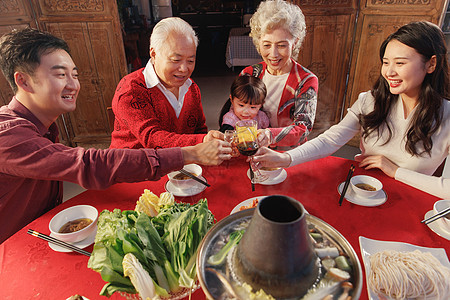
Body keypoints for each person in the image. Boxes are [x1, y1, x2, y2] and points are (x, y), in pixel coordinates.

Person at [0, 28, 232, 243]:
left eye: (75, 74)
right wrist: (191, 152)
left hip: (38, 231)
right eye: (61, 75)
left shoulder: (45, 127)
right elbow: (89, 164)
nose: (73, 85)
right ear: (24, 81)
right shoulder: (8, 136)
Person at [252, 21, 450, 199]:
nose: (389, 72)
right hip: (360, 193)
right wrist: (285, 158)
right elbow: (331, 139)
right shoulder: (371, 101)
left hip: (411, 203)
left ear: (431, 64)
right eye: (386, 62)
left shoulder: (447, 116)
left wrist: (394, 170)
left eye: (400, 63)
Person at [110, 17, 222, 149]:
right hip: (136, 165)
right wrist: (203, 140)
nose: (184, 69)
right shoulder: (131, 90)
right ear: (154, 54)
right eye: (176, 60)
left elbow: (199, 130)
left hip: (182, 163)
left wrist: (206, 141)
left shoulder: (191, 88)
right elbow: (152, 138)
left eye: (190, 61)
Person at [241, 0, 318, 148]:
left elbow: (303, 128)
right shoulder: (248, 74)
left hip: (290, 152)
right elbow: (238, 114)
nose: (273, 54)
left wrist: (270, 135)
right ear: (258, 42)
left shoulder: (306, 80)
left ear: (295, 42)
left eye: (282, 45)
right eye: (267, 45)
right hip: (254, 148)